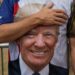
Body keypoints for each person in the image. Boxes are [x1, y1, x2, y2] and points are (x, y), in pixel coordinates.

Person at [0, 0, 68, 62]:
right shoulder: (12, 1)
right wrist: (37, 19)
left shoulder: (69, 2)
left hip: (59, 70)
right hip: (18, 71)